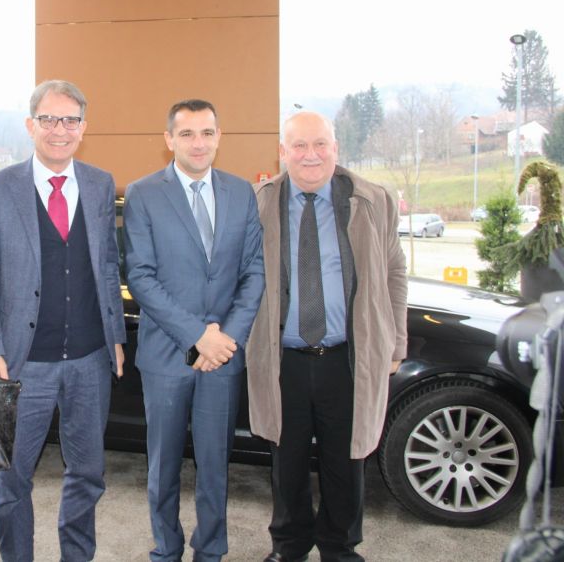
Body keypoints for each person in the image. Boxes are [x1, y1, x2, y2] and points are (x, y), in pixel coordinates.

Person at [0, 79, 127, 562]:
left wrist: (115, 336)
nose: (60, 130)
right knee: (13, 478)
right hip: (23, 364)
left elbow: (107, 265)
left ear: (84, 127)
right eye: (49, 119)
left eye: (70, 120)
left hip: (90, 359)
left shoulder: (100, 184)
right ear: (30, 125)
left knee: (87, 475)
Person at [246, 111, 407, 562]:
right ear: (283, 152)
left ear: (336, 148)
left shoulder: (372, 200)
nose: (310, 155)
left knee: (346, 460)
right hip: (284, 359)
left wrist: (396, 343)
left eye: (320, 144)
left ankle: (340, 547)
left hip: (347, 357)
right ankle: (289, 546)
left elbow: (395, 272)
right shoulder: (259, 202)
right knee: (287, 460)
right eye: (299, 145)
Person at [123, 98, 265, 562]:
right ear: (169, 140)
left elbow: (254, 272)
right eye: (186, 134)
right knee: (162, 467)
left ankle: (211, 551)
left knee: (215, 467)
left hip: (223, 356)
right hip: (166, 355)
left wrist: (225, 339)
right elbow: (140, 276)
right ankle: (166, 549)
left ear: (219, 137)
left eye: (206, 132)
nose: (198, 143)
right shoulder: (144, 194)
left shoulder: (242, 193)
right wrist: (197, 335)